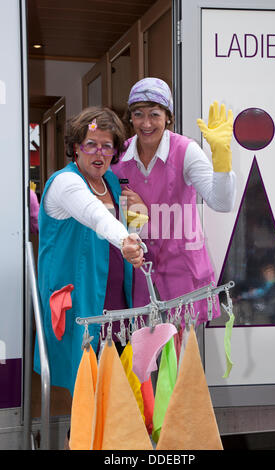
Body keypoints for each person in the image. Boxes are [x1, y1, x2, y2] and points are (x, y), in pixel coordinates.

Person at [33, 106, 144, 396]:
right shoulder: (65, 183)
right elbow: (96, 216)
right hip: (81, 304)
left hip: (117, 303)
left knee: (118, 394)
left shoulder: (111, 184)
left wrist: (138, 221)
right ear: (75, 148)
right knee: (88, 395)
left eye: (107, 146)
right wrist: (125, 239)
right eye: (91, 144)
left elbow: (121, 227)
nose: (99, 153)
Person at [112, 77, 236, 324]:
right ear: (130, 118)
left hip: (183, 271)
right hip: (140, 275)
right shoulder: (119, 156)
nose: (146, 123)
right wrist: (131, 215)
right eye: (138, 114)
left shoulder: (186, 151)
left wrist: (221, 158)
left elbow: (221, 203)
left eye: (154, 114)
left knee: (185, 358)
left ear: (168, 116)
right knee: (144, 357)